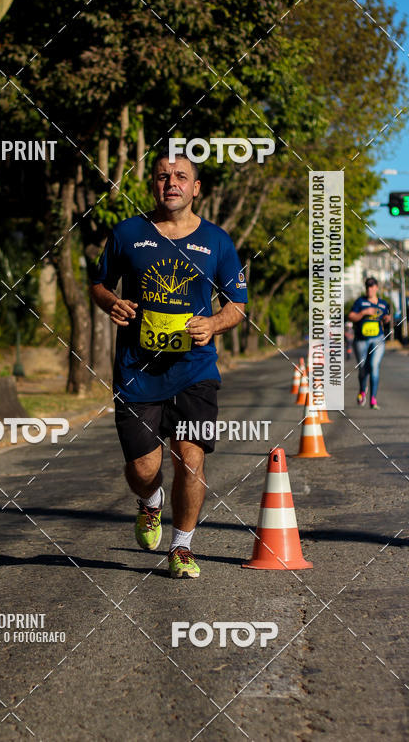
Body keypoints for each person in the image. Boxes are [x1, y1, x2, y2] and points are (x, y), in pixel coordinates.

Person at [90, 149, 247, 578]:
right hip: (137, 372)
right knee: (144, 469)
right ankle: (150, 502)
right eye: (162, 176)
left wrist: (213, 324)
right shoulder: (127, 234)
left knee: (190, 459)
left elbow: (237, 305)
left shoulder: (217, 241)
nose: (171, 183)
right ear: (152, 185)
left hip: (195, 370)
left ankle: (182, 547)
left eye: (180, 176)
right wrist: (112, 303)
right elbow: (99, 284)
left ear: (196, 188)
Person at [349, 277, 391, 409]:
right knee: (362, 367)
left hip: (377, 339)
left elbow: (387, 319)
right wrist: (363, 312)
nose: (369, 289)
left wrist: (386, 319)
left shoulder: (383, 304)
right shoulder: (360, 302)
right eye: (367, 286)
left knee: (374, 366)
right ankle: (362, 389)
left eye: (372, 286)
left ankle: (373, 398)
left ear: (377, 288)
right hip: (361, 340)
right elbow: (351, 316)